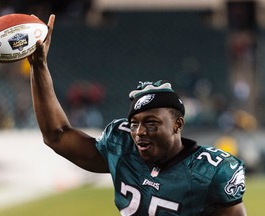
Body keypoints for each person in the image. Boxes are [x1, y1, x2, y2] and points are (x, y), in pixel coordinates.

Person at [28, 14, 247, 216]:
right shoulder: (123, 148)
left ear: (177, 124)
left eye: (151, 123)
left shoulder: (209, 172)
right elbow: (56, 135)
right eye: (134, 123)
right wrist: (39, 67)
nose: (140, 132)